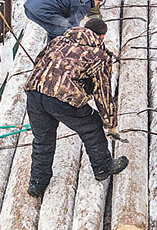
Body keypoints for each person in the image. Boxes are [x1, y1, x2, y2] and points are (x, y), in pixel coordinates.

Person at [24, 18, 127, 197]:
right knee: (92, 126)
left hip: (34, 91)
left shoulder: (58, 40)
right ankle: (103, 167)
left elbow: (40, 61)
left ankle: (37, 184)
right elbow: (102, 93)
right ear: (101, 36)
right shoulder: (98, 55)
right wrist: (111, 124)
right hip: (62, 95)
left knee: (42, 139)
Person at [24, 0, 104, 41]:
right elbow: (74, 23)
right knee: (65, 32)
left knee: (56, 29)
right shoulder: (86, 0)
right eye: (98, 2)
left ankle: (49, 52)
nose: (97, 5)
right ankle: (55, 57)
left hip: (30, 5)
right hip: (40, 10)